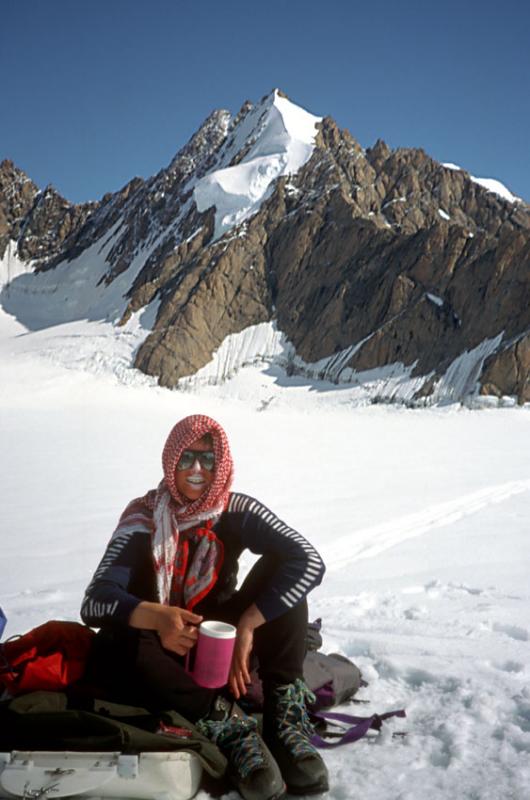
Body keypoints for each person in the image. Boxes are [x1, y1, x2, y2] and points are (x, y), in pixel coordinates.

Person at [81, 414, 328, 800]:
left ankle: (283, 720)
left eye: (208, 460)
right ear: (170, 462)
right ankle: (224, 722)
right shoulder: (143, 518)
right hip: (162, 655)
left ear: (221, 465)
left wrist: (247, 626)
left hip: (224, 648)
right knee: (117, 637)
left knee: (284, 571)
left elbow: (308, 561)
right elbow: (95, 600)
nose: (197, 470)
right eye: (187, 459)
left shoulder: (234, 509)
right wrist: (158, 617)